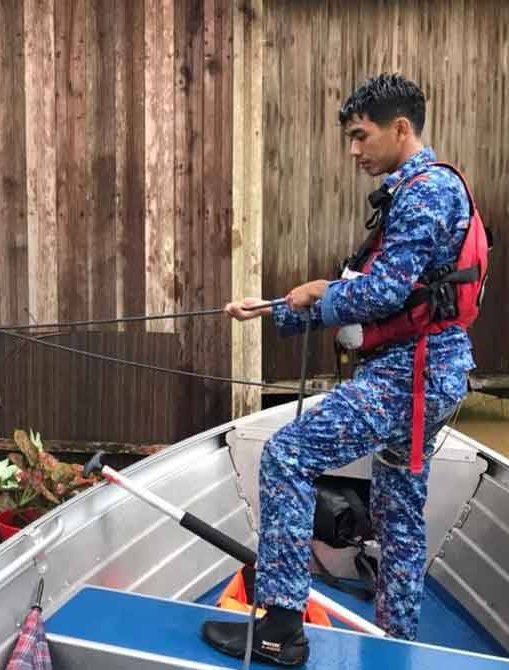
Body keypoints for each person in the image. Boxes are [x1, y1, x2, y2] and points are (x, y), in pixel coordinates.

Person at [202, 74, 489, 665]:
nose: (354, 150)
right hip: (428, 377)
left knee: (287, 455)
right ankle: (396, 643)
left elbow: (383, 293)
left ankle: (281, 628)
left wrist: (310, 296)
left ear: (401, 128)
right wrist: (276, 307)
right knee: (399, 505)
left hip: (407, 377)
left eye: (361, 136)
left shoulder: (426, 191)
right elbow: (392, 292)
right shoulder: (419, 189)